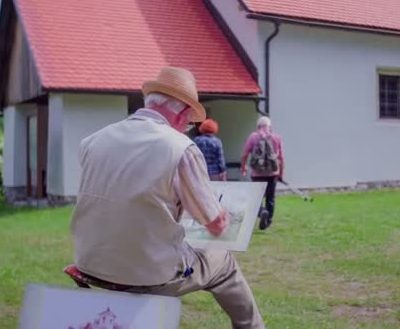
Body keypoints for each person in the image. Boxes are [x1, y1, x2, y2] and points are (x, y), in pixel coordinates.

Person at [70, 67, 264, 328]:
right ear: (183, 112)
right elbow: (215, 224)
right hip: (146, 273)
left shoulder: (94, 140)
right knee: (224, 262)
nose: (188, 127)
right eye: (189, 121)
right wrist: (223, 217)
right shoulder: (180, 147)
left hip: (90, 262)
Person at [240, 116, 284, 230]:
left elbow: (245, 154)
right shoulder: (276, 138)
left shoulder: (253, 137)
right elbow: (281, 158)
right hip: (272, 174)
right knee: (270, 198)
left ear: (258, 126)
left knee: (256, 199)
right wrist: (281, 174)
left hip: (257, 174)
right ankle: (268, 221)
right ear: (270, 127)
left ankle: (262, 212)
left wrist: (243, 167)